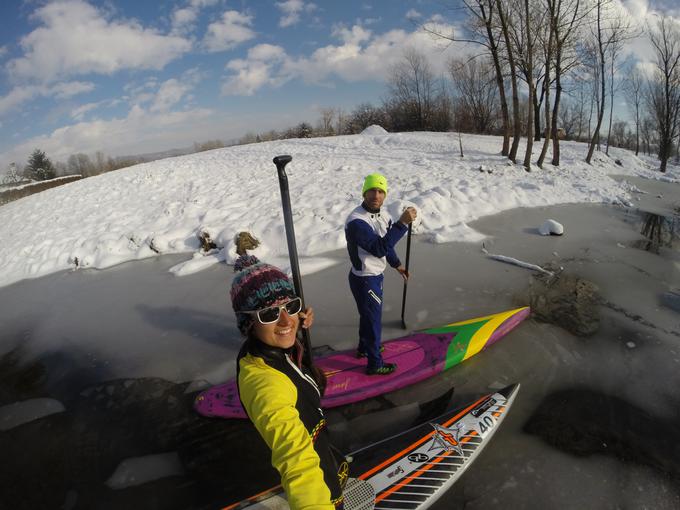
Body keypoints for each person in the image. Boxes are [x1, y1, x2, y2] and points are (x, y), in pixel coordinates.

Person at [231, 254, 346, 509]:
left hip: (324, 456)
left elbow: (288, 332)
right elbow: (297, 461)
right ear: (249, 323)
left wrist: (295, 333)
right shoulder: (265, 383)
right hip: (318, 485)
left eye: (291, 307)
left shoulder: (271, 349)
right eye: (270, 313)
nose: (285, 320)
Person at [345, 173, 417, 375]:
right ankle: (375, 363)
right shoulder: (356, 221)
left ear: (384, 195)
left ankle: (363, 349)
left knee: (367, 316)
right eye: (371, 190)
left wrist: (397, 265)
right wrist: (402, 224)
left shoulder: (384, 216)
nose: (376, 195)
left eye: (380, 191)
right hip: (364, 278)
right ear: (364, 192)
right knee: (373, 321)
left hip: (375, 276)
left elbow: (387, 245)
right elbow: (378, 248)